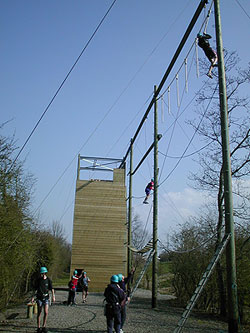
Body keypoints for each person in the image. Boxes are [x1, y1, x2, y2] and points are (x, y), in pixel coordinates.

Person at [31, 266, 55, 333]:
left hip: (46, 298)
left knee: (46, 312)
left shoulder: (48, 280)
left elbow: (52, 289)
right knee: (40, 312)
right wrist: (33, 297)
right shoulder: (38, 281)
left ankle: (44, 326)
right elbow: (35, 289)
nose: (42, 274)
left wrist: (53, 296)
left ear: (45, 273)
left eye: (43, 273)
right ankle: (38, 327)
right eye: (41, 273)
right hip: (39, 298)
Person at [117, 267, 135, 333]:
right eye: (122, 277)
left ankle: (117, 328)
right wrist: (127, 297)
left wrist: (131, 272)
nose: (124, 277)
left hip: (119, 301)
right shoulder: (121, 284)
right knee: (123, 315)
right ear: (121, 279)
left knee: (119, 315)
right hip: (121, 301)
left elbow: (128, 279)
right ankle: (119, 328)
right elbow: (127, 280)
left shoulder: (120, 283)